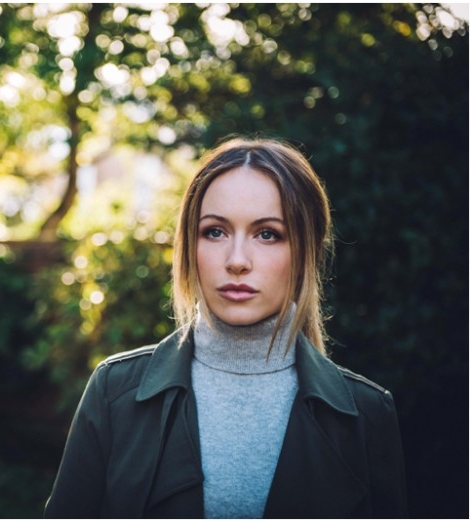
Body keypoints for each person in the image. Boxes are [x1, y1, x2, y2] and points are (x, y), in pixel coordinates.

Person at [44, 136, 408, 518]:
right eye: (215, 231)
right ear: (190, 245)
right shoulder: (114, 392)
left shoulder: (367, 414)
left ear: (305, 251)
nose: (237, 261)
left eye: (268, 234)